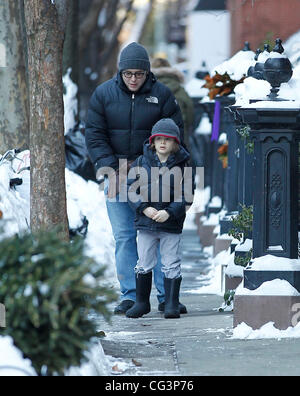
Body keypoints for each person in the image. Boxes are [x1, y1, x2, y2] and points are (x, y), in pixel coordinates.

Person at [85, 42, 187, 315]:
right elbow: (94, 134)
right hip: (116, 175)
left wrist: (154, 164)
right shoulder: (103, 95)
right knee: (126, 236)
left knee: (162, 233)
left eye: (138, 74)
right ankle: (131, 295)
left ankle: (168, 297)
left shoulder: (162, 95)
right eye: (128, 74)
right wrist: (110, 167)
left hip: (155, 176)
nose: (133, 79)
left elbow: (176, 135)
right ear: (120, 72)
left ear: (147, 73)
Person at [126, 118, 194, 319]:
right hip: (146, 224)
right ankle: (141, 302)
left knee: (171, 261)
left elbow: (186, 194)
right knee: (144, 260)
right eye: (159, 139)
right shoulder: (140, 162)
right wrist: (144, 208)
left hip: (170, 224)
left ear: (175, 144)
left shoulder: (184, 166)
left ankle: (171, 303)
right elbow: (131, 190)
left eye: (168, 139)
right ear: (152, 142)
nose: (163, 143)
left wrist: (170, 212)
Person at [151, 57, 194, 152]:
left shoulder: (149, 90)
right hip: (178, 135)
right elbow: (190, 113)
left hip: (154, 136)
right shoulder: (180, 90)